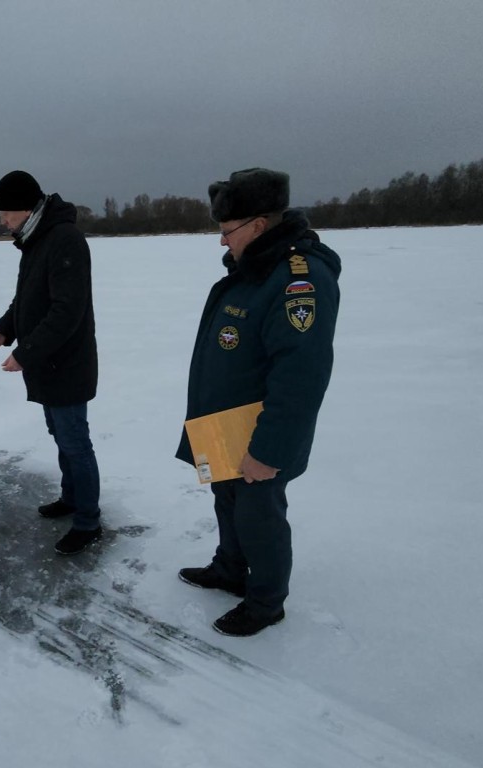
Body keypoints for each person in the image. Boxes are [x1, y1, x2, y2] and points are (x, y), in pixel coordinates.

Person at [176, 168, 341, 637]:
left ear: (259, 225)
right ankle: (229, 568)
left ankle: (266, 601)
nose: (222, 242)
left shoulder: (297, 282)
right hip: (224, 423)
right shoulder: (254, 269)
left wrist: (269, 452)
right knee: (226, 501)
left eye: (227, 231)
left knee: (259, 513)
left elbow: (301, 377)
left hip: (258, 431)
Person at [0, 170, 101, 556]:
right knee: (61, 436)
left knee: (75, 442)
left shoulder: (64, 239)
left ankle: (88, 520)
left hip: (65, 363)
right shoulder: (35, 239)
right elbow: (27, 298)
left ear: (26, 208)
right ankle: (71, 498)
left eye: (6, 213)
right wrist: (4, 331)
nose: (2, 220)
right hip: (47, 363)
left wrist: (26, 352)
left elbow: (67, 311)